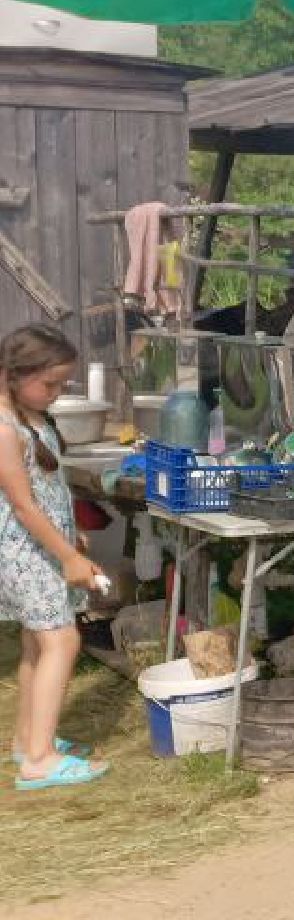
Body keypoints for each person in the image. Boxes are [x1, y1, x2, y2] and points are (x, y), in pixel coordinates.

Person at [0, 325, 104, 791]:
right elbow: (22, 504)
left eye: (63, 384)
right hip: (24, 551)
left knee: (36, 643)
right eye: (50, 384)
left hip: (43, 545)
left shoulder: (28, 415)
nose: (57, 393)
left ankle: (28, 741)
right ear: (14, 375)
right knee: (62, 642)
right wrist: (66, 556)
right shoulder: (3, 428)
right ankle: (40, 761)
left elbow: (46, 491)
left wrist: (71, 534)